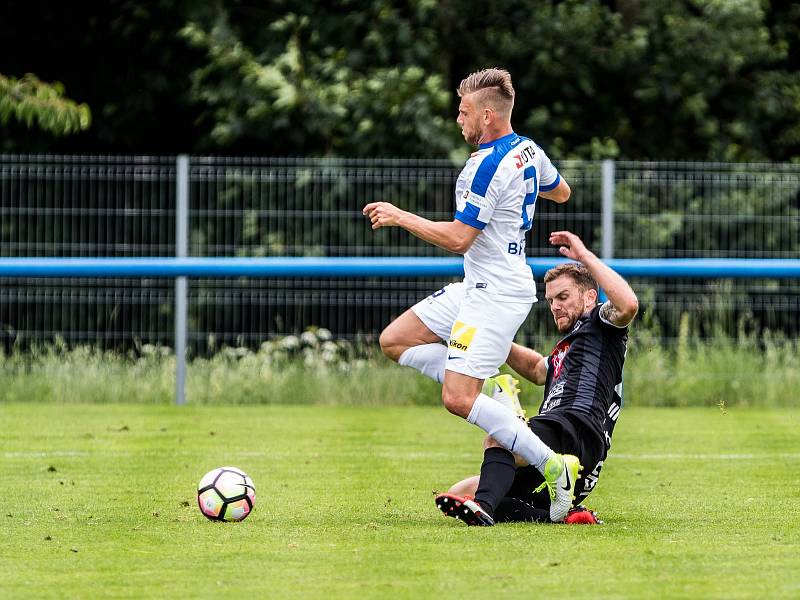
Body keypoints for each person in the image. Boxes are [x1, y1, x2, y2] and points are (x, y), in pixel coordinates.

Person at [363, 68, 580, 522]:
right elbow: (561, 192)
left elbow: (460, 238)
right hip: (480, 285)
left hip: (495, 294)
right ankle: (496, 381)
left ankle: (553, 466)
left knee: (459, 398)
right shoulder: (528, 150)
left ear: (486, 115)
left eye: (463, 112)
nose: (458, 120)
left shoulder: (481, 167)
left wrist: (401, 216)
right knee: (395, 341)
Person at [436, 230, 638, 525]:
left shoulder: (601, 326)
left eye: (564, 297)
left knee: (499, 436)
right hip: (571, 457)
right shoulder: (564, 351)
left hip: (574, 427)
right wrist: (489, 337)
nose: (555, 306)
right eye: (551, 300)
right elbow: (535, 369)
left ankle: (484, 509)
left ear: (590, 296)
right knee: (458, 492)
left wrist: (583, 255)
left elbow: (628, 305)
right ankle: (561, 516)